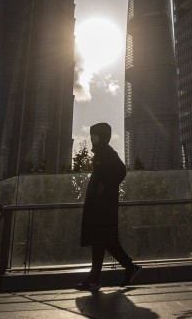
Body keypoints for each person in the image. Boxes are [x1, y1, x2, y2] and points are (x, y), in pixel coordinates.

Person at [76, 122, 141, 292]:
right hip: (101, 206)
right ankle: (129, 267)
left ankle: (94, 278)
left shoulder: (107, 153)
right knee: (107, 241)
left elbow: (121, 171)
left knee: (100, 240)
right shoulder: (100, 153)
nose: (92, 138)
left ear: (103, 136)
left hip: (104, 208)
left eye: (95, 135)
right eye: (91, 135)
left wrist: (105, 184)